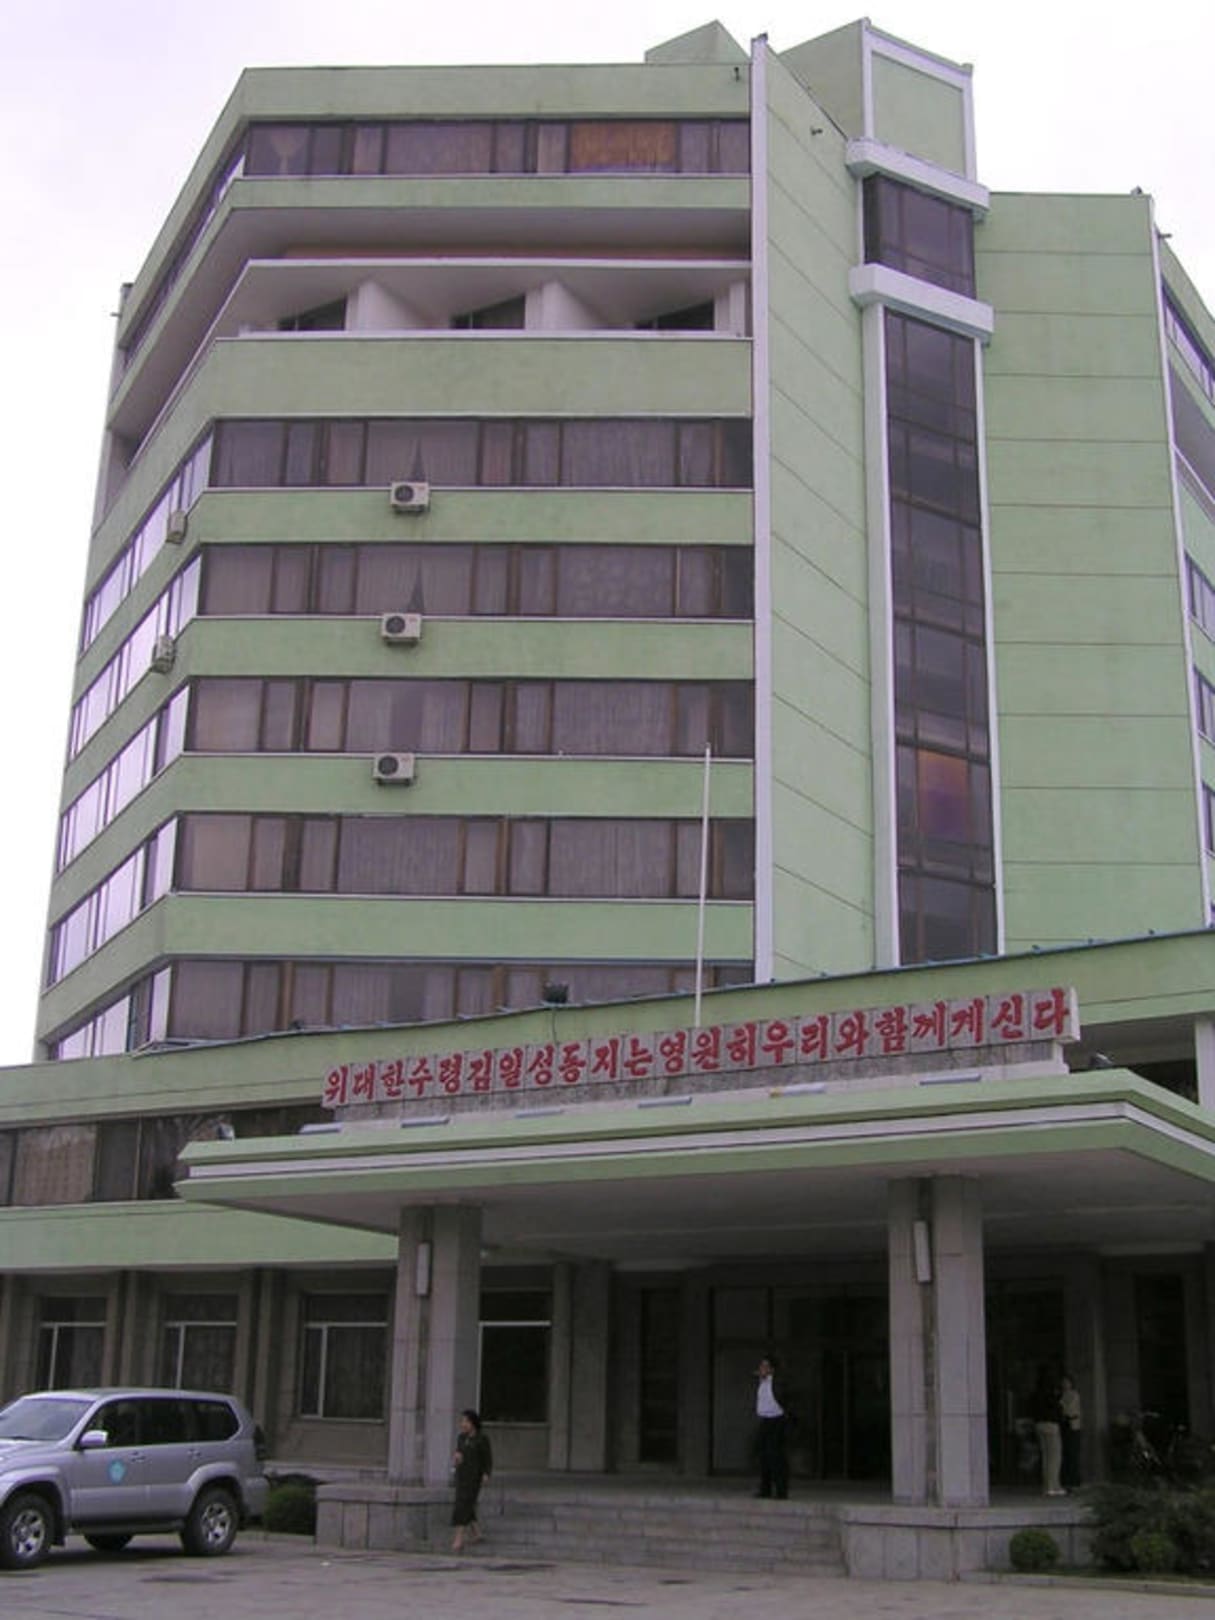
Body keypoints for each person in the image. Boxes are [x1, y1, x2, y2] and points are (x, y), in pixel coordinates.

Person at [450, 1408, 492, 1552]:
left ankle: (458, 1539)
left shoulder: (482, 1439)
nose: (463, 1424)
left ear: (473, 1423)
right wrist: (456, 1459)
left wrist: (486, 1473)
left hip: (474, 1477)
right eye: (462, 1421)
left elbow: (487, 1458)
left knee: (462, 1505)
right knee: (466, 1503)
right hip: (462, 1475)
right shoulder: (461, 1438)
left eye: (466, 1421)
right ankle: (477, 1532)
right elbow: (459, 1453)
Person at [753, 1355, 790, 1500]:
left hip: (776, 1419)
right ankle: (765, 1488)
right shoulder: (761, 1382)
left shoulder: (777, 1382)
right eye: (761, 1366)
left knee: (775, 1455)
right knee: (764, 1456)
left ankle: (781, 1490)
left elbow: (783, 1398)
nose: (762, 1369)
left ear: (772, 1369)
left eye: (765, 1366)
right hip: (765, 1420)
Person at [1028, 1366, 1066, 1496]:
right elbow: (1057, 1408)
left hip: (1039, 1424)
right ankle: (1053, 1485)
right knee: (1055, 1457)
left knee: (1045, 1457)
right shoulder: (1051, 1394)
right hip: (1051, 1424)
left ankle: (1047, 1486)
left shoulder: (1036, 1393)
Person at [1058, 1373, 1083, 1490]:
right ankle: (1066, 1480)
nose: (1065, 1384)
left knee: (1073, 1453)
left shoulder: (1074, 1394)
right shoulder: (1061, 1394)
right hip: (1064, 1426)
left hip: (1073, 1425)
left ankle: (1074, 1481)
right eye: (1063, 1382)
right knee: (1066, 1454)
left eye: (1067, 1382)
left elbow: (1068, 1409)